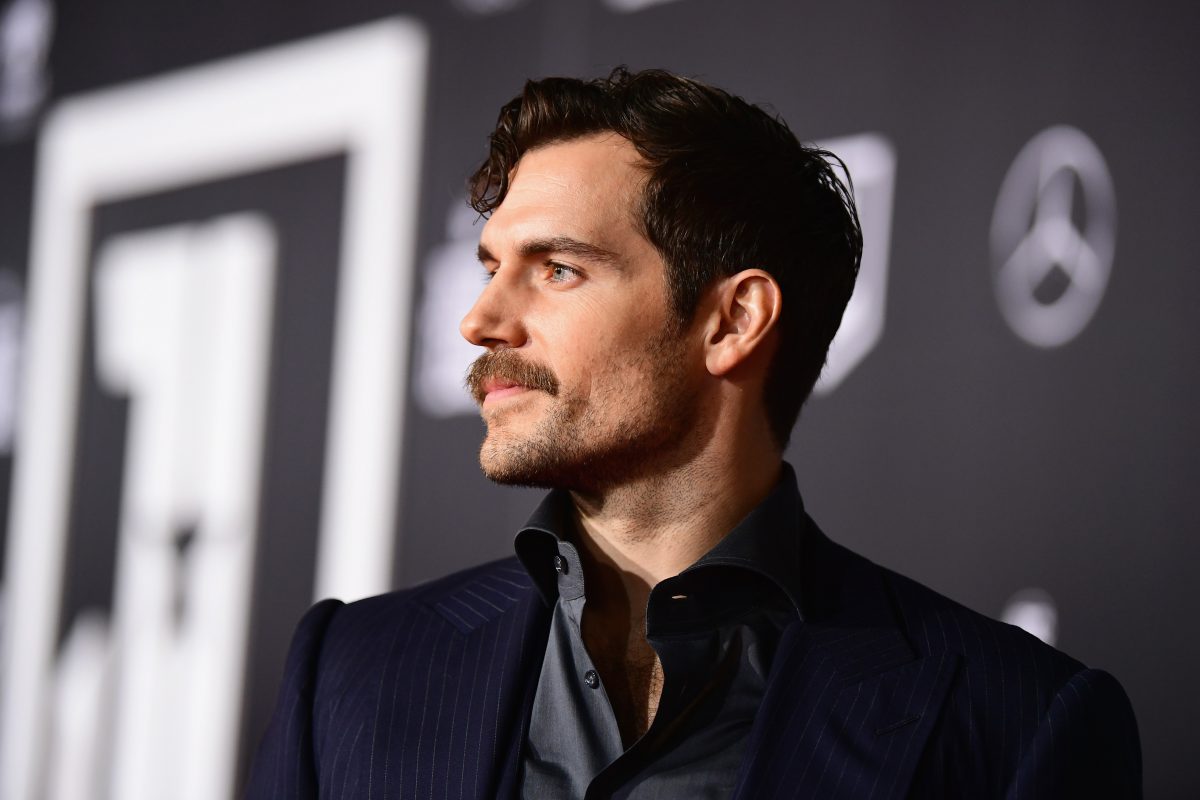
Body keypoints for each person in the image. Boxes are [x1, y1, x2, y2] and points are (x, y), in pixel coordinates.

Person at [245, 68, 1141, 799]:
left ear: (732, 321)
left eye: (556, 270)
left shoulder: (1013, 723)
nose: (480, 321)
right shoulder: (352, 673)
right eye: (490, 267)